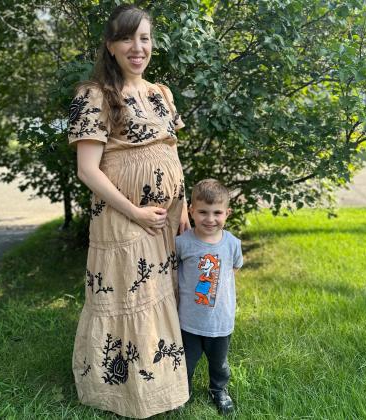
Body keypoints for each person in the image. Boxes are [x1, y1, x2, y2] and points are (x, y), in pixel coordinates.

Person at [67, 4, 190, 418]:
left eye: (145, 38)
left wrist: (184, 205)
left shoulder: (161, 93)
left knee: (158, 294)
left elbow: (173, 152)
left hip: (166, 218)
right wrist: (135, 212)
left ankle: (162, 382)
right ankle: (122, 391)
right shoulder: (94, 95)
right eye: (127, 38)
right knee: (128, 296)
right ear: (111, 45)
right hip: (122, 218)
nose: (138, 48)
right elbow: (87, 170)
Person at [175, 179, 243, 415]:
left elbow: (232, 270)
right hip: (188, 321)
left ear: (227, 213)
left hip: (220, 321)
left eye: (217, 213)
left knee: (219, 364)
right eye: (203, 212)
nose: (210, 219)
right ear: (191, 210)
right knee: (186, 362)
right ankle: (182, 391)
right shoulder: (182, 243)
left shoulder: (232, 244)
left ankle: (218, 390)